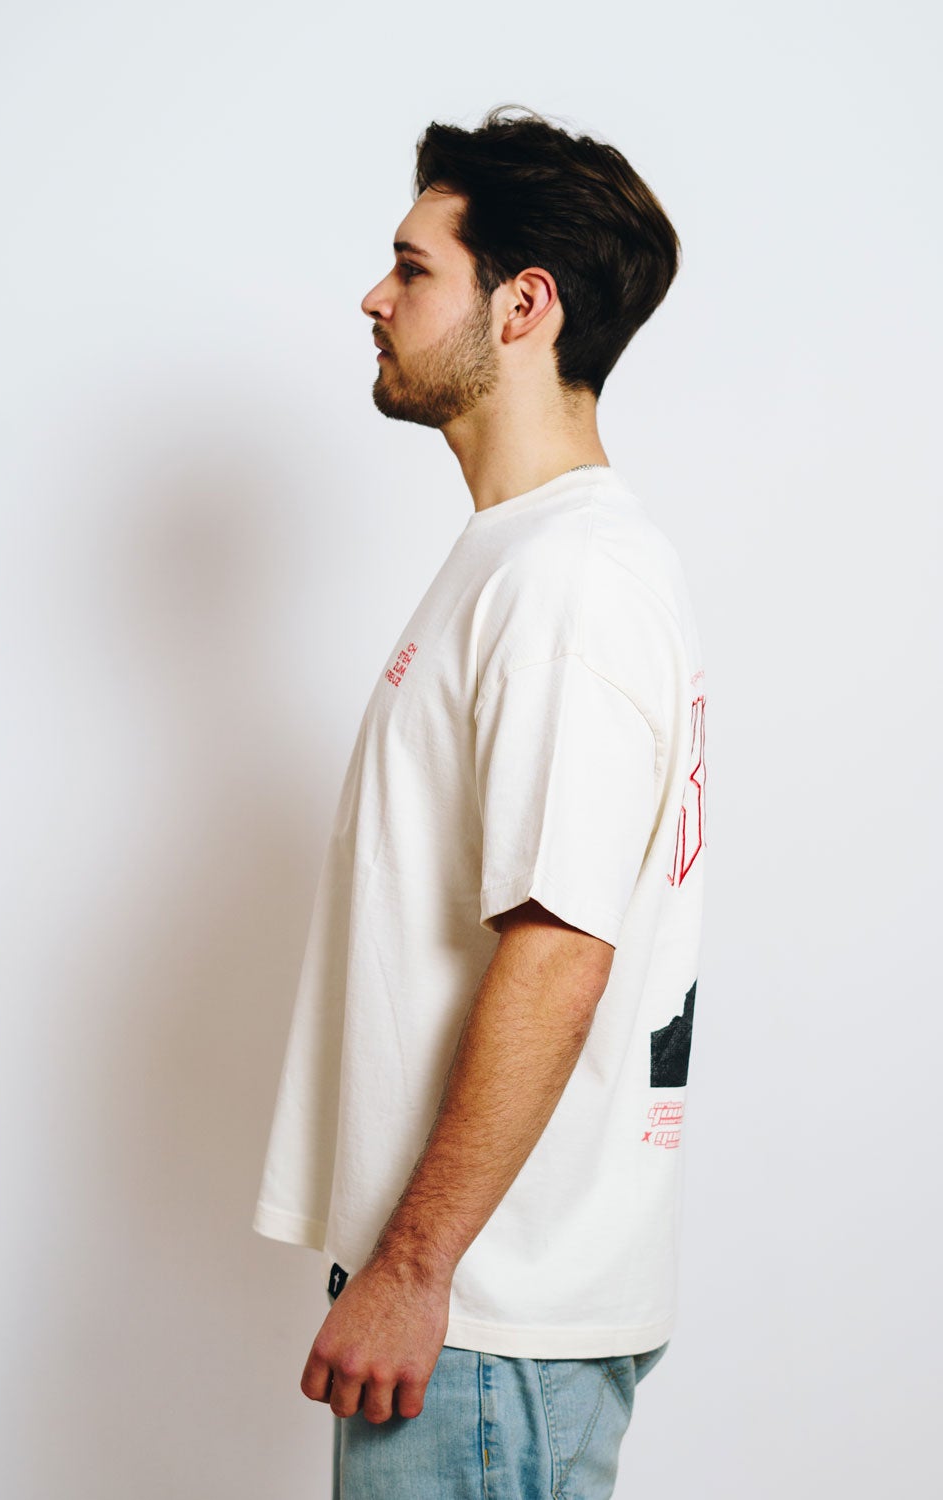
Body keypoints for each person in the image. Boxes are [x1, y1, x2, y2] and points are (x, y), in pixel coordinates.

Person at [252, 103, 709, 1499]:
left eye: (414, 267)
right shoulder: (521, 559)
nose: (375, 298)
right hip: (468, 1315)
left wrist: (413, 1266)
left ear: (523, 305)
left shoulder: (569, 583)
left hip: (483, 1321)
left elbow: (561, 947)